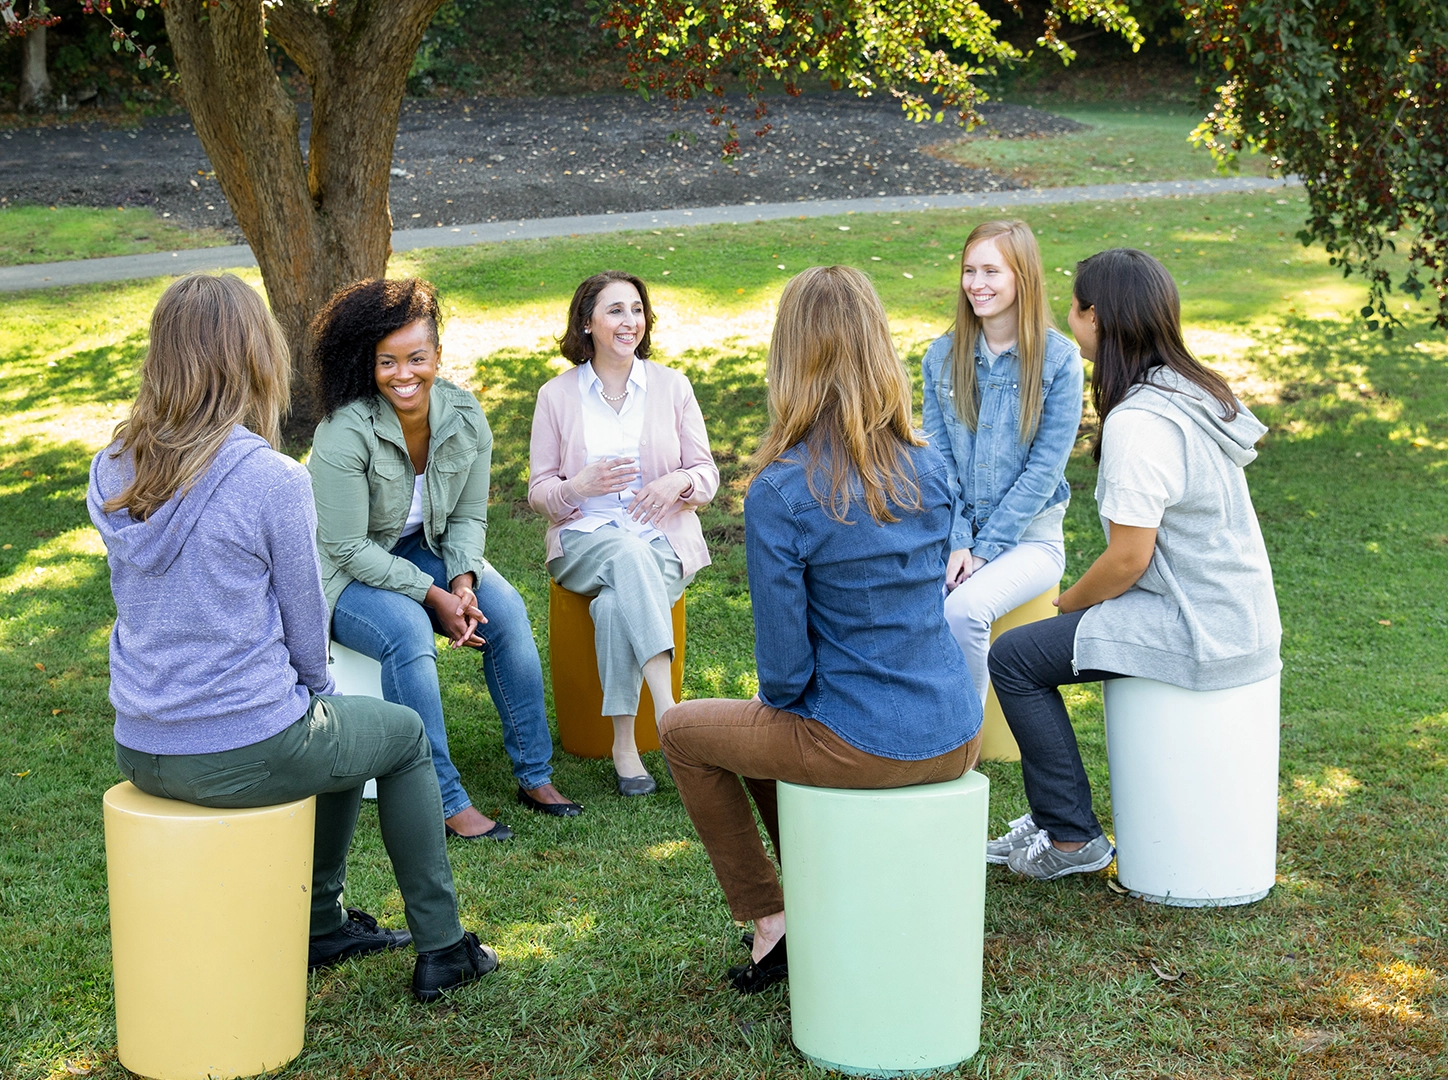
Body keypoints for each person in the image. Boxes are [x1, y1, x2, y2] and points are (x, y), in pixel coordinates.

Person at [88, 274, 497, 1002]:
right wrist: (314, 693)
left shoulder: (114, 465)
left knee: (339, 727)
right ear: (253, 359)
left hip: (142, 740)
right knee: (396, 735)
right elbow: (309, 642)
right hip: (237, 744)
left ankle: (322, 921)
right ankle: (442, 947)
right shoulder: (271, 479)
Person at [658, 266, 982, 994]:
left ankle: (771, 918)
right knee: (769, 733)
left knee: (682, 728)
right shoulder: (930, 467)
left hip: (864, 740)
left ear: (789, 358)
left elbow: (782, 678)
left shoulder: (780, 488)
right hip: (958, 728)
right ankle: (817, 879)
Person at [986, 248, 1282, 881]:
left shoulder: (1140, 422)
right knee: (1034, 651)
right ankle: (1052, 821)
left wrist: (1068, 604)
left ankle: (1070, 839)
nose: (1069, 318)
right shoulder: (1192, 389)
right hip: (1238, 612)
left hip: (1194, 624)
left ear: (1096, 317)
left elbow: (1126, 558)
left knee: (1013, 658)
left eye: (1074, 306)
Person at [308, 277, 579, 842]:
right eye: (387, 362)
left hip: (421, 549)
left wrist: (461, 581)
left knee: (504, 608)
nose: (404, 375)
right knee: (407, 629)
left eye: (417, 358)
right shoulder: (343, 431)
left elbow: (466, 519)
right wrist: (430, 596)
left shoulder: (463, 415)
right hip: (342, 573)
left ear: (436, 355)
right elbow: (346, 547)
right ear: (368, 363)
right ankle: (442, 796)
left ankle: (535, 774)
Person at [528, 270, 720, 796]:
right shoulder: (556, 395)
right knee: (624, 551)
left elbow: (707, 474)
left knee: (616, 601)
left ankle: (623, 746)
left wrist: (676, 483)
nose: (628, 321)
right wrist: (578, 485)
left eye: (636, 309)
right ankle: (671, 716)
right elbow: (539, 491)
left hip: (661, 541)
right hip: (583, 543)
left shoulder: (673, 387)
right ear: (587, 322)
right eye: (615, 310)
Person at [919, 220, 1084, 701]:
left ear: (1022, 278)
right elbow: (938, 461)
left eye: (991, 271)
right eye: (969, 270)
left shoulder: (1058, 361)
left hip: (1032, 539)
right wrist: (958, 541)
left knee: (964, 611)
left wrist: (984, 551)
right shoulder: (941, 356)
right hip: (955, 537)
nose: (976, 284)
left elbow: (1044, 472)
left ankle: (959, 743)